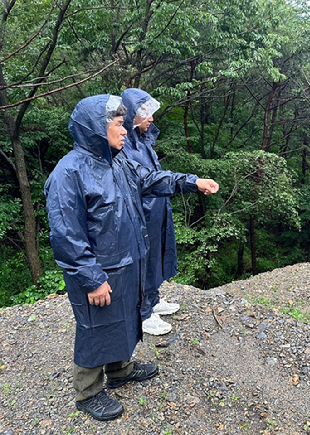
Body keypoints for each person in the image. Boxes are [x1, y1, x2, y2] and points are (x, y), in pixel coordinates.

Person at [44, 94, 219, 421]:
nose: (125, 130)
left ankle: (121, 369)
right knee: (95, 327)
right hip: (99, 272)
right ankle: (88, 392)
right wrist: (93, 279)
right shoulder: (69, 173)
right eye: (117, 124)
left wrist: (192, 182)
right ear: (97, 128)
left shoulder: (119, 160)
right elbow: (67, 236)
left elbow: (151, 180)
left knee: (124, 318)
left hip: (127, 263)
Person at [121, 88, 178, 335]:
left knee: (156, 255)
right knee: (143, 261)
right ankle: (143, 314)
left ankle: (153, 299)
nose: (151, 119)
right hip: (141, 212)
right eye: (145, 115)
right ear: (132, 116)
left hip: (157, 209)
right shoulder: (124, 146)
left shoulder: (143, 141)